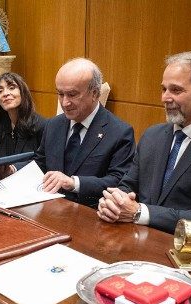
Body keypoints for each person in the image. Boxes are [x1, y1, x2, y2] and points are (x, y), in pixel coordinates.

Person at [97, 51, 191, 252]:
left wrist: (138, 212)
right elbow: (128, 184)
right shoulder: (153, 135)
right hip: (140, 245)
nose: (165, 98)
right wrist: (112, 203)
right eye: (163, 89)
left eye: (176, 90)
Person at [31, 57, 135, 207]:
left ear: (94, 93)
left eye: (72, 94)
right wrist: (10, 171)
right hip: (49, 210)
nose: (65, 102)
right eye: (60, 94)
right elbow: (40, 164)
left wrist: (74, 183)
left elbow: (118, 181)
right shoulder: (53, 125)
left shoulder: (120, 132)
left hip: (89, 216)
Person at [0, 72, 46, 176]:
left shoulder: (43, 125)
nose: (5, 93)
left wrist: (13, 169)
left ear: (22, 92)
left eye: (11, 88)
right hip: (4, 186)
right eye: (0, 91)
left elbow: (44, 162)